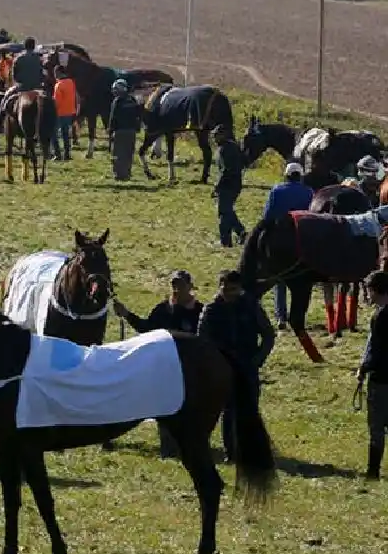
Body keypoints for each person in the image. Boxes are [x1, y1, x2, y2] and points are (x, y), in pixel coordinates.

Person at [112, 270, 203, 458]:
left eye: (181, 285)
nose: (177, 289)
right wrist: (127, 314)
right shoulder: (162, 310)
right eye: (174, 285)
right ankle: (169, 448)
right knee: (167, 407)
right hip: (167, 369)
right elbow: (146, 330)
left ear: (190, 287)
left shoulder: (200, 311)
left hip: (192, 370)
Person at [197, 270, 275, 462]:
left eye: (233, 289)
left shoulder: (250, 306)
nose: (229, 293)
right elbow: (202, 342)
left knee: (249, 409)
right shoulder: (211, 310)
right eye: (226, 289)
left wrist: (257, 360)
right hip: (223, 368)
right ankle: (231, 452)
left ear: (240, 288)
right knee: (229, 411)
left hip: (247, 366)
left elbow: (268, 335)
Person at [260, 162, 314, 330]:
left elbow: (267, 216)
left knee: (280, 278)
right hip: (302, 240)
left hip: (280, 239)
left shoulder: (277, 190)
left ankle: (281, 316)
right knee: (301, 280)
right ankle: (297, 315)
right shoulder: (309, 192)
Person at [356, 271, 388, 479]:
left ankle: (373, 471)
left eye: (368, 290)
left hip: (381, 379)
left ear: (375, 290)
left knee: (376, 427)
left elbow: (376, 350)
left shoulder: (380, 317)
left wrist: (363, 369)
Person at [0, 37, 44, 133]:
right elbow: (41, 73)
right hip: (37, 87)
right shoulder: (39, 59)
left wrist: (18, 82)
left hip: (22, 87)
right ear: (34, 47)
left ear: (24, 46)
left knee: (4, 101)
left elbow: (14, 75)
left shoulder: (19, 58)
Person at [213, 125, 247, 248]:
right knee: (227, 210)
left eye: (216, 135)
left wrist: (217, 185)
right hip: (236, 183)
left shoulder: (223, 149)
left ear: (223, 135)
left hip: (227, 184)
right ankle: (241, 232)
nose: (214, 138)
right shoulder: (234, 146)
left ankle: (225, 241)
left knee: (223, 212)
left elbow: (225, 170)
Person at [106, 79, 141, 181]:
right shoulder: (133, 100)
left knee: (118, 153)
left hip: (120, 131)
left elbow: (113, 117)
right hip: (131, 131)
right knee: (129, 153)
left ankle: (119, 174)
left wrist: (110, 130)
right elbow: (138, 115)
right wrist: (137, 128)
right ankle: (127, 173)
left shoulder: (117, 101)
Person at [52, 66, 77, 161]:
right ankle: (67, 154)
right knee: (66, 134)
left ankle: (57, 154)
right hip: (70, 112)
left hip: (59, 113)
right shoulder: (71, 82)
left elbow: (56, 102)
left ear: (58, 73)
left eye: (55, 73)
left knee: (53, 134)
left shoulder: (59, 85)